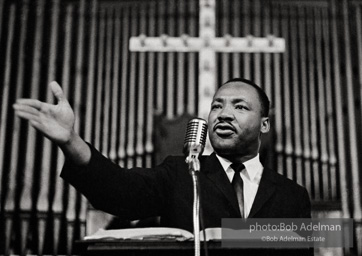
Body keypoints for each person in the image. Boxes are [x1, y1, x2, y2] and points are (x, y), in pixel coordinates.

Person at [13, 78, 311, 251]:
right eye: (217, 105)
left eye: (240, 106)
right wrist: (71, 141)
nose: (223, 114)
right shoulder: (181, 173)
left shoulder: (292, 196)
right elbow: (120, 192)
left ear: (265, 124)